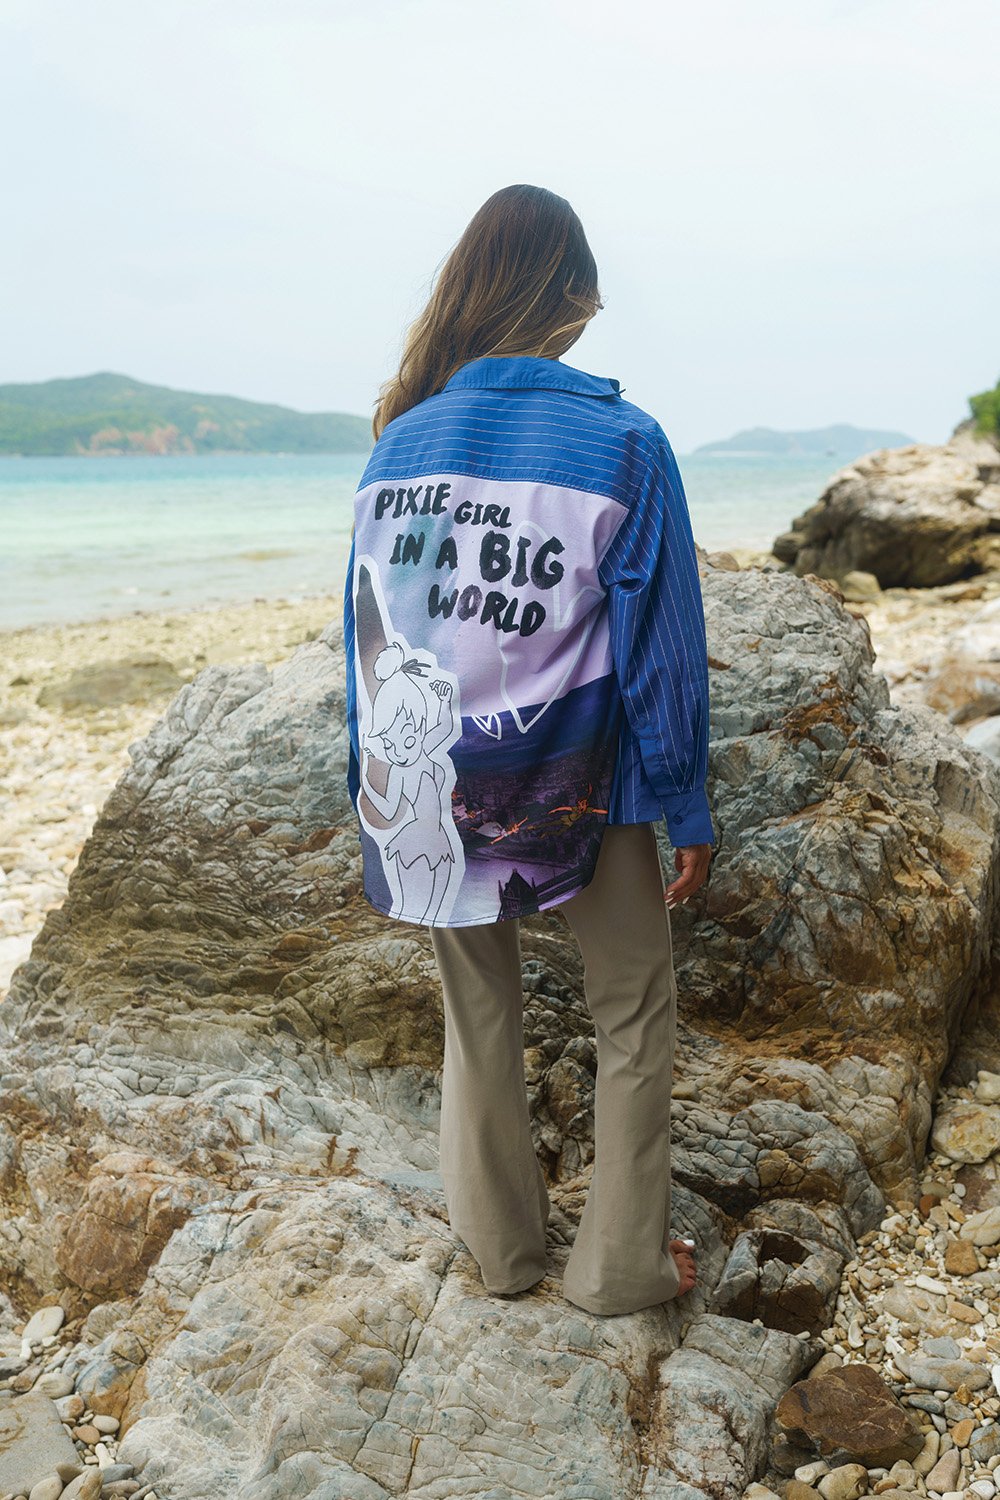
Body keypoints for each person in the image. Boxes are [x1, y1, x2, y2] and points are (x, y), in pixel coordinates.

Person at [343, 183, 714, 1316]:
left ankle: (503, 1255)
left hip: (428, 789)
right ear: (568, 299)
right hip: (579, 783)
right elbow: (660, 653)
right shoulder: (624, 442)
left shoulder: (395, 446)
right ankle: (616, 1270)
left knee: (480, 1013)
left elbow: (369, 638)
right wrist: (685, 805)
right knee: (633, 1010)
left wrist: (373, 793)